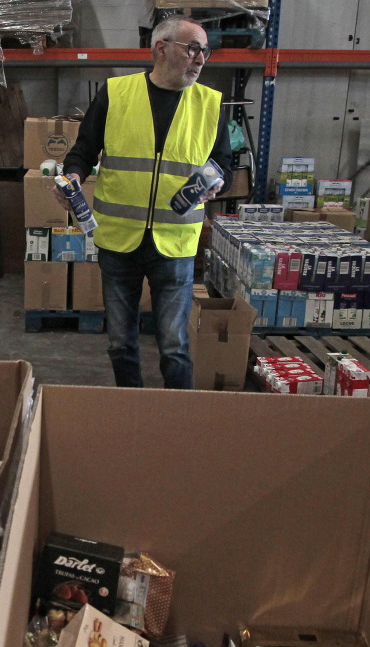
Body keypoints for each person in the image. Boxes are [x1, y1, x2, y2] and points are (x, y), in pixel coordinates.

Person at [57, 17, 232, 389]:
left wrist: (217, 182)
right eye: (193, 48)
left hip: (176, 244)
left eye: (205, 51)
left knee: (174, 346)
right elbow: (83, 151)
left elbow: (224, 164)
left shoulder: (210, 104)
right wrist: (73, 176)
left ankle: (175, 421)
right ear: (162, 47)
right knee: (121, 343)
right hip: (119, 241)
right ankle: (132, 412)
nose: (200, 58)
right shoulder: (115, 94)